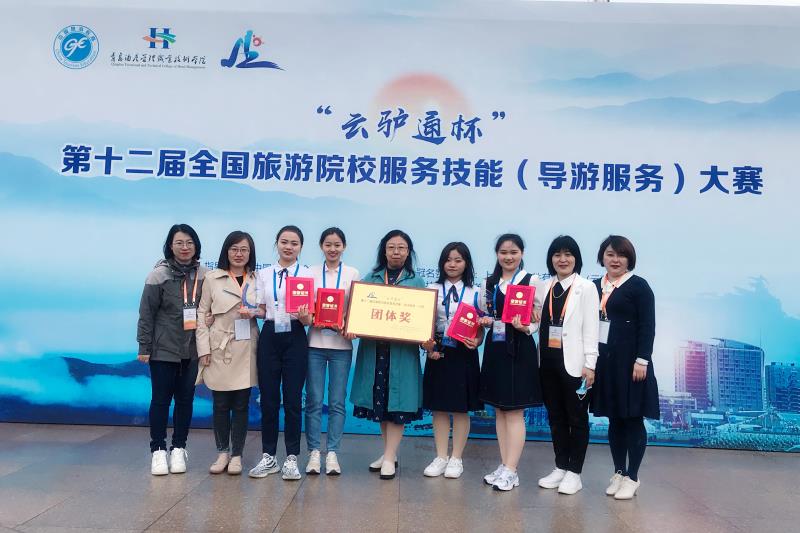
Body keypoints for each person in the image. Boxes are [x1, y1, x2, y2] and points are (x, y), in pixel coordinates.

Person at [349, 229, 426, 480]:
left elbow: (423, 319)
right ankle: (388, 453)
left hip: (401, 354)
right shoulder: (370, 279)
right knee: (381, 405)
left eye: (401, 248)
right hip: (376, 351)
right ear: (384, 250)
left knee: (398, 405)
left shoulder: (416, 282)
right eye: (391, 247)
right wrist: (353, 326)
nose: (396, 252)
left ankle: (390, 457)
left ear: (408, 252)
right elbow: (358, 312)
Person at [591, 235, 659, 500]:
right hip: (605, 362)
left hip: (631, 363)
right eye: (610, 254)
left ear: (629, 259)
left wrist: (642, 359)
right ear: (602, 257)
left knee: (632, 419)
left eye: (621, 255)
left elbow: (648, 326)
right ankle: (618, 472)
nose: (615, 259)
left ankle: (633, 477)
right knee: (614, 419)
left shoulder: (639, 286)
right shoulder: (594, 286)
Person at [137, 224, 208, 476]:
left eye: (189, 242)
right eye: (179, 243)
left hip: (192, 350)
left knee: (185, 401)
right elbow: (146, 314)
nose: (185, 247)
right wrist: (144, 346)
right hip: (163, 349)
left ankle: (179, 448)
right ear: (170, 246)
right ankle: (158, 450)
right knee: (160, 401)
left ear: (196, 246)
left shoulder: (206, 275)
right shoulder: (158, 275)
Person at [477, 234, 544, 491]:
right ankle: (504, 465)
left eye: (514, 252)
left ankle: (512, 470)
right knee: (499, 410)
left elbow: (539, 317)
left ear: (522, 253)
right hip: (495, 347)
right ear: (497, 254)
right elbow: (486, 313)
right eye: (503, 252)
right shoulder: (489, 283)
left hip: (520, 349)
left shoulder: (532, 281)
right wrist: (485, 320)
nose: (508, 257)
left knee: (515, 411)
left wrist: (527, 327)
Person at [536, 235, 600, 495]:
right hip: (547, 363)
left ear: (576, 258)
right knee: (555, 416)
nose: (562, 259)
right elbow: (535, 322)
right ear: (551, 259)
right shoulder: (544, 287)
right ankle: (561, 466)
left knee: (577, 418)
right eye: (557, 254)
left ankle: (575, 472)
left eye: (568, 254)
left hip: (575, 365)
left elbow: (592, 329)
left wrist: (590, 364)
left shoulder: (586, 287)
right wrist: (522, 324)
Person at [249, 226, 313, 481]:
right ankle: (269, 456)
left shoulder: (307, 275)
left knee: (294, 399)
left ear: (301, 247)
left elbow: (310, 317)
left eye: (294, 243)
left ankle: (292, 458)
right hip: (270, 335)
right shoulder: (263, 274)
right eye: (284, 242)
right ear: (276, 243)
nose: (289, 247)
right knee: (269, 399)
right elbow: (262, 308)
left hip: (296, 335)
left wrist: (306, 317)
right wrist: (250, 311)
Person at [196, 231, 259, 476]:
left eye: (244, 249)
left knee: (242, 404)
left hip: (246, 347)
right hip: (219, 347)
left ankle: (237, 455)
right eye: (234, 249)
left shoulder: (258, 279)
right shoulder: (212, 278)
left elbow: (268, 309)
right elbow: (202, 315)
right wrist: (203, 349)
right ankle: (222, 452)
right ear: (226, 251)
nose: (239, 254)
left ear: (250, 253)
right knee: (221, 403)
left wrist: (255, 312)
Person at [421, 242, 483, 479]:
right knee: (438, 407)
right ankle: (440, 456)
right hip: (438, 351)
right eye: (448, 260)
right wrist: (426, 346)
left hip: (464, 352)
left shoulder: (475, 292)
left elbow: (480, 326)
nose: (452, 264)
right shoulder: (432, 289)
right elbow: (423, 324)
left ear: (466, 263)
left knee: (460, 408)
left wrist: (477, 340)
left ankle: (456, 458)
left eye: (458, 260)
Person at [304, 227, 360, 475]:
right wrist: (310, 316)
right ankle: (314, 452)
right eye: (328, 244)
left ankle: (333, 452)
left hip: (341, 347)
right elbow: (305, 304)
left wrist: (348, 323)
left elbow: (357, 307)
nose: (333, 249)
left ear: (344, 247)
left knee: (337, 402)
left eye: (337, 245)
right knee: (314, 401)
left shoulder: (352, 273)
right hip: (314, 345)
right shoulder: (311, 272)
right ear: (321, 246)